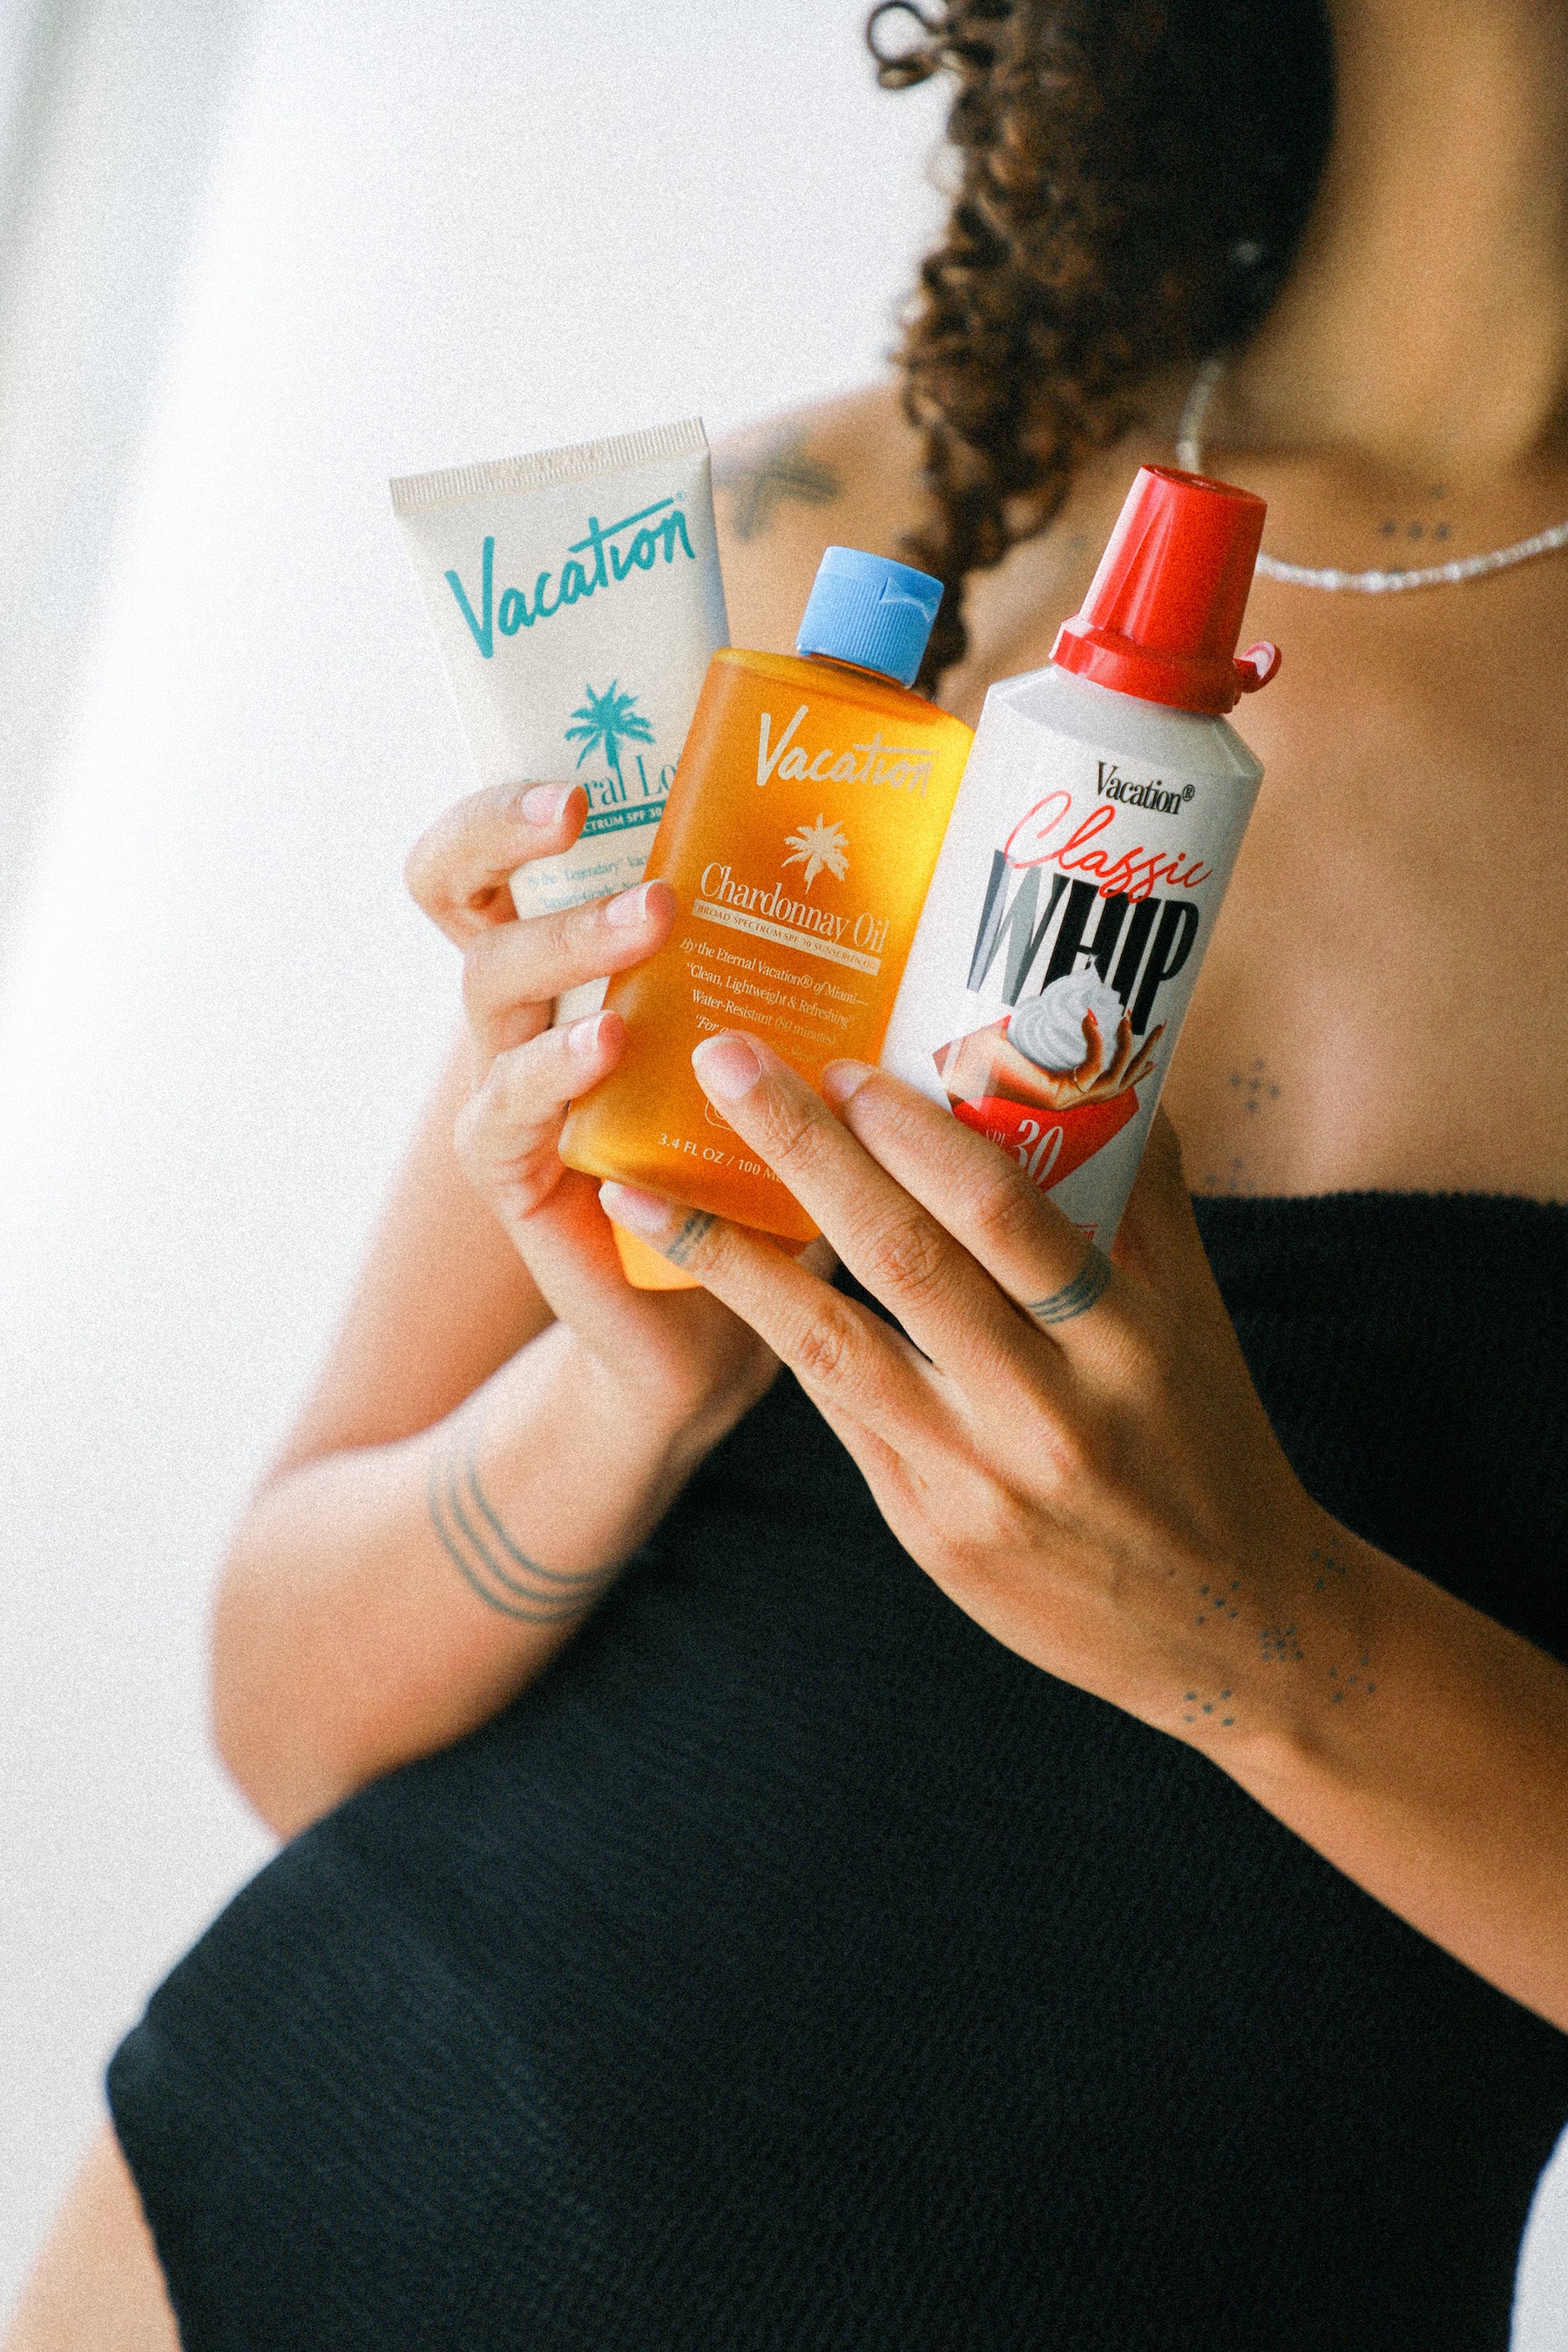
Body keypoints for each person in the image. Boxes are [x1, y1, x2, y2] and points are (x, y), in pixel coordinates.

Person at [10, 0, 1568, 2343]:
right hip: (313, 2207)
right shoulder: (869, 534)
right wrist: (625, 1391)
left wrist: (1262, 1633)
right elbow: (289, 1715)